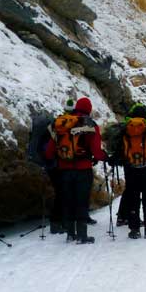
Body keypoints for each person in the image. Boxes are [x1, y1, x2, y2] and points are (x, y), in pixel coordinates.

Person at [45, 97, 106, 244]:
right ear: (89, 110)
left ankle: (70, 234)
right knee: (81, 202)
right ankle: (82, 235)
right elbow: (97, 152)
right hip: (83, 170)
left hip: (63, 170)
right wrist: (105, 157)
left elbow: (49, 152)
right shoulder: (90, 125)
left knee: (68, 201)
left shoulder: (61, 124)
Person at [111, 105, 146, 239]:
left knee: (133, 199)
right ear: (145, 116)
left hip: (131, 170)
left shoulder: (125, 130)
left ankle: (134, 229)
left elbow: (119, 151)